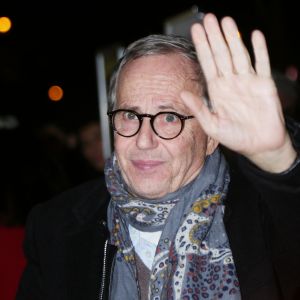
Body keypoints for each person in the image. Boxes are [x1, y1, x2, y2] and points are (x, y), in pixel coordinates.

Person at [16, 12, 300, 300]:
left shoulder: (263, 214)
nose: (143, 139)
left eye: (168, 117)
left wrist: (277, 158)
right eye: (130, 115)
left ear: (211, 135)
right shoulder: (57, 229)